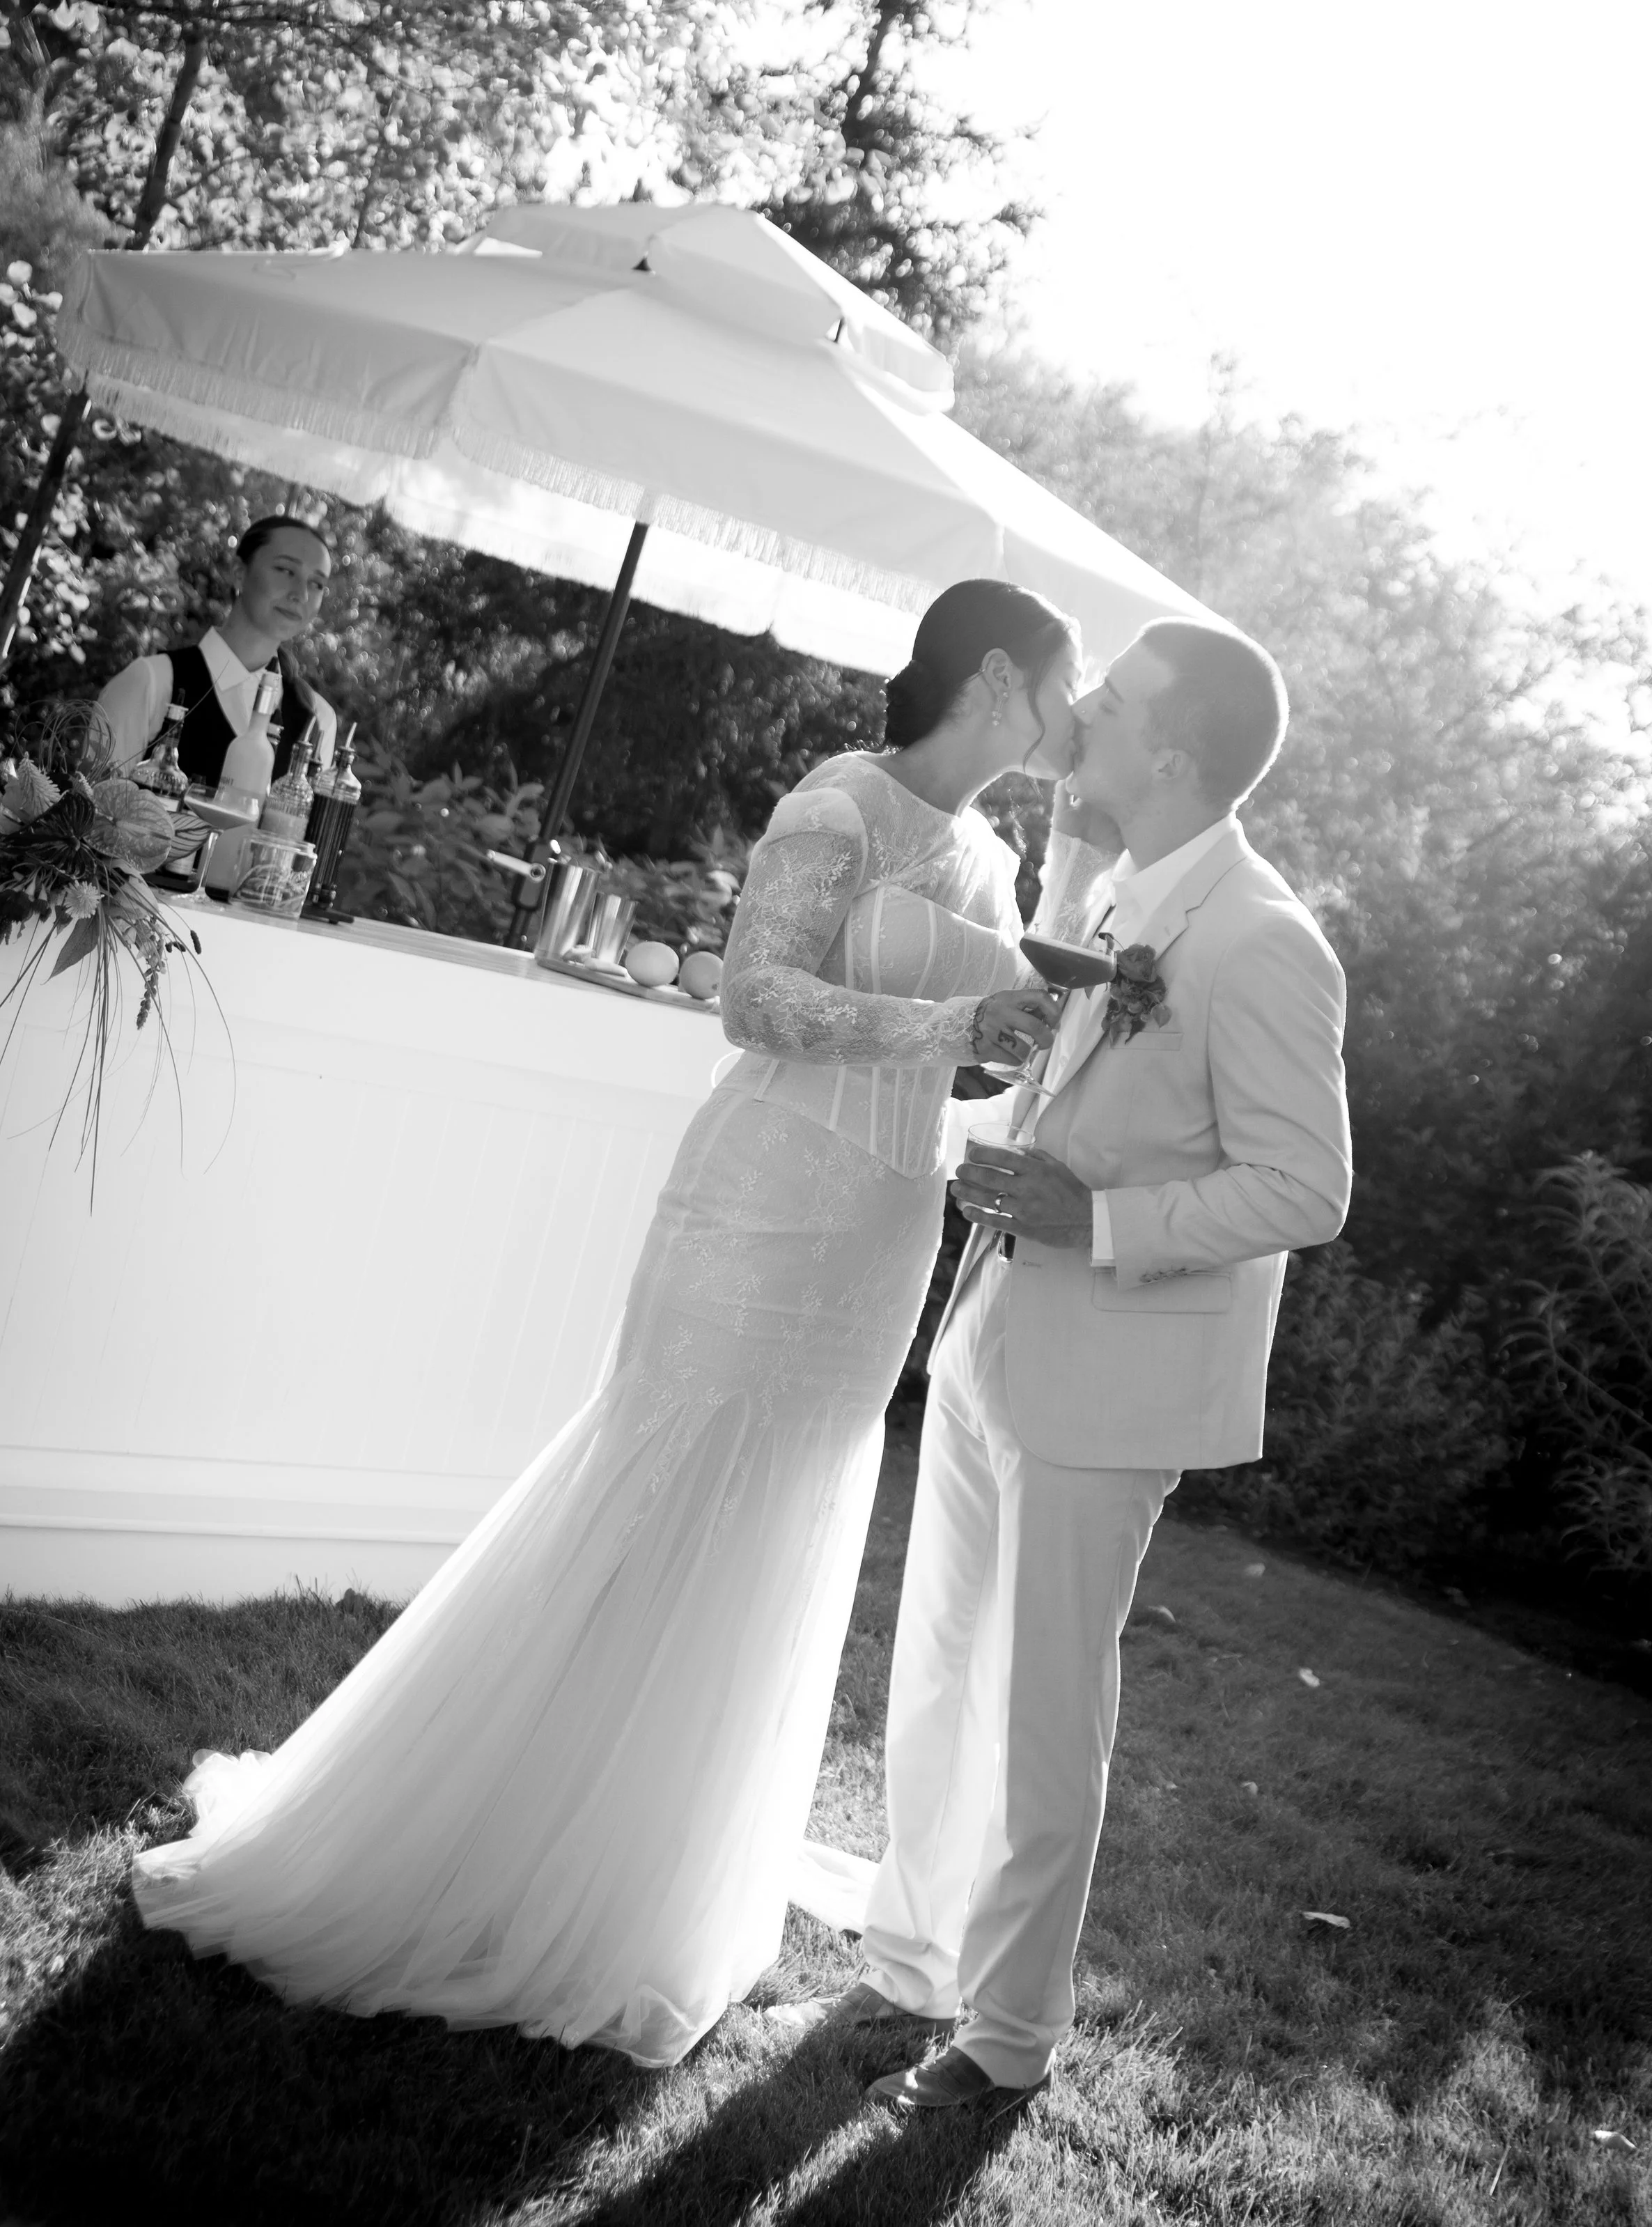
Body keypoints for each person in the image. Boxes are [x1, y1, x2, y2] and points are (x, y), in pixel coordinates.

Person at [131, 578, 1112, 2068]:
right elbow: (757, 999)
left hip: (879, 1231)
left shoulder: (998, 852)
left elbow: (968, 1054)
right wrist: (949, 1028)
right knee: (658, 1494)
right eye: (1063, 682)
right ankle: (473, 1848)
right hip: (762, 1198)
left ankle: (649, 1889)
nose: (1074, 710)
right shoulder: (837, 800)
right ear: (994, 675)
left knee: (777, 1526)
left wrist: (1006, 1062)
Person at [809, 617, 1352, 2113]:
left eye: (1104, 705)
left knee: (1045, 1706)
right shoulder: (1116, 887)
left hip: (1111, 1370)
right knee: (930, 1675)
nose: (1078, 717)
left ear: (1169, 752)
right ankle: (902, 1961)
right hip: (995, 1323)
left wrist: (1095, 1217)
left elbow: (1305, 1188)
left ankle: (1003, 2036)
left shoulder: (1259, 939)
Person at [96, 514, 338, 782]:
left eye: (317, 584)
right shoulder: (151, 683)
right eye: (286, 570)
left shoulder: (317, 720)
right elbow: (89, 814)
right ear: (239, 573)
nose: (301, 594)